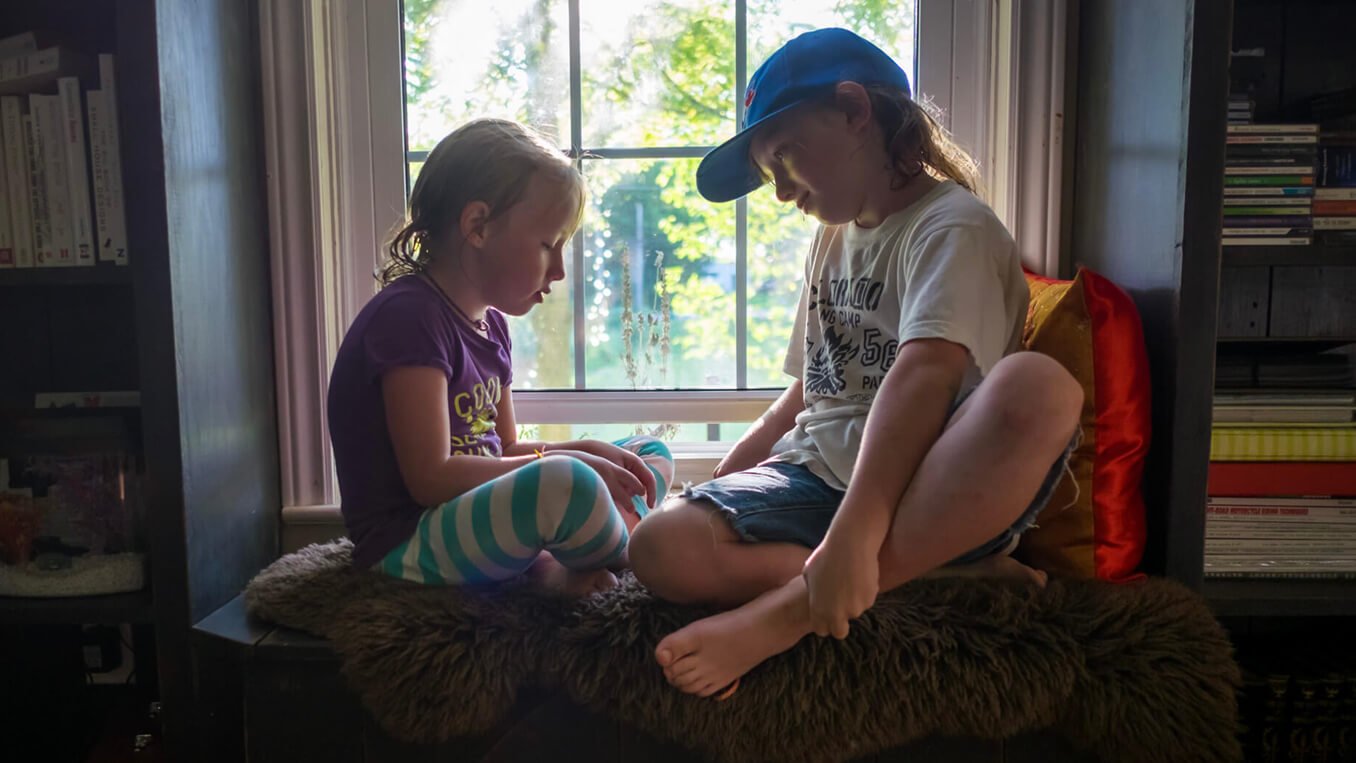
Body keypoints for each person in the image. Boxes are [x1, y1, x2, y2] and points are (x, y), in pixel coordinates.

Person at [628, 28, 1083, 699]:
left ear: (854, 110)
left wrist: (856, 530)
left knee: (1041, 388)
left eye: (784, 158)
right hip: (818, 482)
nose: (780, 192)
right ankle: (928, 574)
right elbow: (806, 394)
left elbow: (925, 375)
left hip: (928, 493)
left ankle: (790, 610)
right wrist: (726, 479)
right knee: (657, 545)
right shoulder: (833, 237)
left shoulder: (950, 226)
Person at [327, 118, 674, 598]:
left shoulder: (492, 325)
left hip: (474, 521)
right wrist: (572, 463)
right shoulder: (409, 318)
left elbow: (504, 449)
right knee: (568, 481)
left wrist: (589, 449)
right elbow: (431, 479)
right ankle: (651, 549)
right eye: (548, 245)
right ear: (478, 227)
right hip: (408, 542)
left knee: (646, 452)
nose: (558, 271)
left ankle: (557, 563)